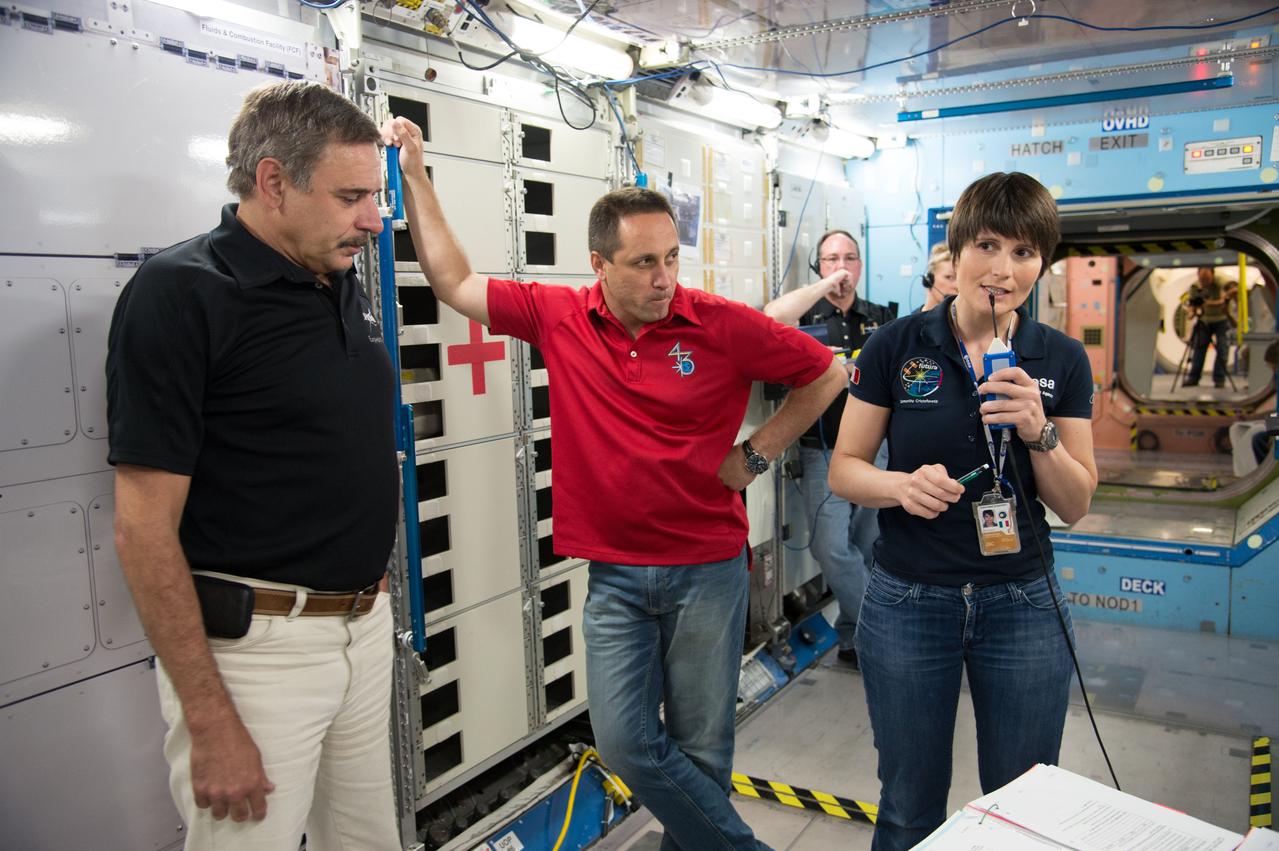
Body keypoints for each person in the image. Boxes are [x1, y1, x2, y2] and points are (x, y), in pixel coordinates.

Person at [384, 117, 845, 851]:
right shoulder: (561, 318)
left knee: (702, 750)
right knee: (626, 741)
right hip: (616, 577)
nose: (664, 278)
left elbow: (827, 372)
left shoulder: (718, 324)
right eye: (643, 262)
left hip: (706, 570)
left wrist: (756, 453)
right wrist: (414, 173)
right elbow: (454, 282)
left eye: (672, 257)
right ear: (597, 262)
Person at [106, 82, 401, 850]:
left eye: (374, 195)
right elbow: (143, 529)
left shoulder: (335, 279)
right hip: (258, 656)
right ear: (273, 183)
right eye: (351, 197)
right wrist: (210, 718)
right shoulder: (183, 293)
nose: (373, 220)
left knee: (367, 840)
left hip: (360, 629)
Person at [827, 172, 1098, 850]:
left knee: (1023, 808)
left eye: (1024, 252)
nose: (1003, 269)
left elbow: (1074, 503)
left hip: (1022, 603)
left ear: (1041, 263)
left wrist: (1039, 432)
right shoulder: (896, 346)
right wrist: (899, 487)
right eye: (987, 246)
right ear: (956, 251)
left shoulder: (1061, 358)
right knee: (908, 806)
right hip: (909, 599)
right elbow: (845, 467)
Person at [763, 229, 895, 666]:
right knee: (832, 549)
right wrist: (825, 286)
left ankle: (854, 639)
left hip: (875, 448)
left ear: (861, 264)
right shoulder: (806, 315)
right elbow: (771, 317)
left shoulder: (881, 317)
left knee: (869, 546)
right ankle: (886, 630)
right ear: (818, 266)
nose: (842, 266)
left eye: (849, 258)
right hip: (822, 450)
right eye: (831, 259)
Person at [1184, 266, 1236, 388]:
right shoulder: (1195, 287)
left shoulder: (1221, 282)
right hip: (1204, 320)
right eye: (1202, 279)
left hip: (1221, 319)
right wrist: (1191, 312)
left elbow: (1225, 299)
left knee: (1222, 349)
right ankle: (1193, 377)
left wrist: (1207, 303)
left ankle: (1219, 378)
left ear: (1212, 275)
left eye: (1207, 279)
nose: (1204, 282)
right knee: (1199, 349)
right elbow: (1192, 304)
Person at [921, 242, 958, 312]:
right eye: (949, 277)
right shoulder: (912, 319)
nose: (957, 286)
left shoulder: (964, 319)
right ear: (929, 280)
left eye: (959, 279)